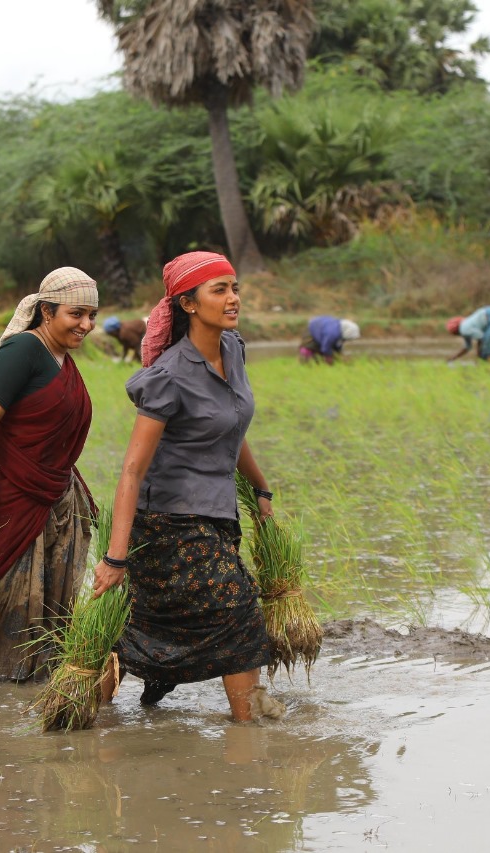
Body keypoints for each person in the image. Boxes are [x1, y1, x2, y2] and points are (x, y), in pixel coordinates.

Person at [91, 251, 281, 723]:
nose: (233, 298)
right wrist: (115, 559)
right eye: (220, 290)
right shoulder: (170, 376)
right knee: (238, 612)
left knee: (148, 624)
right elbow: (132, 471)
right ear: (189, 304)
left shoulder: (233, 349)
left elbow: (231, 429)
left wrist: (261, 490)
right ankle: (247, 729)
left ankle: (86, 709)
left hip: (216, 516)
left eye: (234, 287)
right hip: (167, 523)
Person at [0, 267, 100, 681]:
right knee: (5, 600)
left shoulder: (61, 358)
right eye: (76, 314)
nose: (86, 325)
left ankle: (34, 682)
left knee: (50, 606)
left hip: (53, 498)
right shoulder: (22, 351)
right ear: (46, 311)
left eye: (92, 316)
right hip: (10, 497)